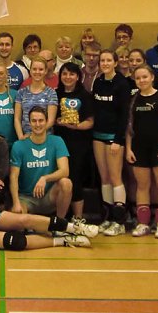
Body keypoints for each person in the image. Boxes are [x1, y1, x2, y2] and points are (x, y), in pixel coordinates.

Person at [126, 65, 158, 239]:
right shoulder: (133, 99)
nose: (141, 80)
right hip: (139, 149)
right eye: (138, 78)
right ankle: (143, 223)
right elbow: (129, 128)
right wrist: (129, 148)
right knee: (142, 186)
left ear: (152, 77)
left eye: (144, 77)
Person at [91, 49, 131, 236]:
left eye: (108, 60)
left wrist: (118, 139)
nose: (105, 63)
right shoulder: (98, 82)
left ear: (115, 63)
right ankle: (107, 218)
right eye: (102, 60)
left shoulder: (122, 84)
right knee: (104, 178)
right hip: (98, 135)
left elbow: (124, 114)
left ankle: (119, 221)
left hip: (114, 138)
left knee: (115, 178)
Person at [10, 107, 72, 218]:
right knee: (17, 218)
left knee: (66, 183)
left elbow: (65, 171)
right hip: (26, 199)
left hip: (49, 197)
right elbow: (14, 176)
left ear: (47, 121)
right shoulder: (18, 145)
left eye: (41, 120)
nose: (37, 124)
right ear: (29, 123)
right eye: (34, 121)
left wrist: (45, 178)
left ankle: (59, 224)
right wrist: (16, 203)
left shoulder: (57, 141)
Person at [54, 62, 95, 222]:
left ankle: (78, 218)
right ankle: (61, 217)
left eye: (71, 74)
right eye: (64, 74)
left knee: (75, 179)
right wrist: (58, 122)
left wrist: (75, 126)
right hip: (58, 142)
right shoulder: (55, 94)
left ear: (78, 76)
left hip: (78, 143)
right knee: (60, 179)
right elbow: (50, 118)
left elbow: (90, 121)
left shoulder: (85, 96)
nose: (68, 77)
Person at [14, 58, 58, 140]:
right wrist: (21, 137)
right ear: (30, 71)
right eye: (34, 69)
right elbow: (17, 118)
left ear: (45, 71)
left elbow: (51, 121)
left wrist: (33, 135)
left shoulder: (51, 93)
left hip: (46, 138)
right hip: (25, 138)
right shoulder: (21, 92)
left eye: (41, 69)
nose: (37, 72)